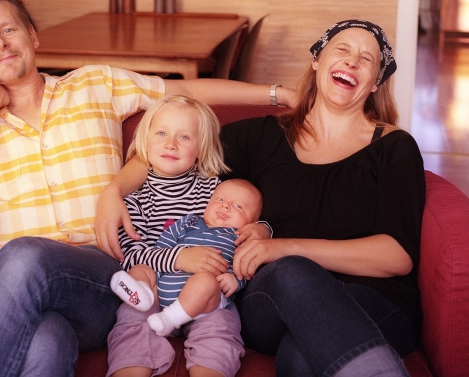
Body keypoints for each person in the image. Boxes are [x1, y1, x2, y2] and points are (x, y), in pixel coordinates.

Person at [0, 0, 296, 377]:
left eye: (8, 29)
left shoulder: (94, 85)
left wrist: (280, 95)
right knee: (47, 341)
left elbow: (185, 89)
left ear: (32, 36)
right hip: (6, 291)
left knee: (25, 255)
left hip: (96, 281)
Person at [97, 19, 425, 376]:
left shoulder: (395, 147)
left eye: (367, 59)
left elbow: (396, 257)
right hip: (272, 299)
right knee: (291, 272)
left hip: (374, 301)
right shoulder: (261, 137)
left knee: (300, 359)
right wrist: (115, 191)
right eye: (342, 50)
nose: (352, 61)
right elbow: (171, 150)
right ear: (317, 59)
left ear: (376, 81)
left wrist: (283, 246)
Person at [105, 96, 269, 377]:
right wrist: (179, 258)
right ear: (144, 139)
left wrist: (263, 229)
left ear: (201, 148)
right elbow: (129, 254)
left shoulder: (214, 190)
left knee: (219, 329)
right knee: (133, 313)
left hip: (207, 297)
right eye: (161, 133)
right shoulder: (135, 199)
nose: (171, 144)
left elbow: (246, 209)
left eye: (184, 137)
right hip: (154, 294)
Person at [112, 179, 263, 337]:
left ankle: (170, 318)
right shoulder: (188, 222)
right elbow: (161, 249)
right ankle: (142, 294)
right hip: (162, 291)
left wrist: (235, 280)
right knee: (141, 269)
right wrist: (156, 273)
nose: (225, 205)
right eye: (220, 199)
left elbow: (247, 267)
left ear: (252, 223)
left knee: (205, 280)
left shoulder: (241, 238)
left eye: (238, 206)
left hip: (204, 300)